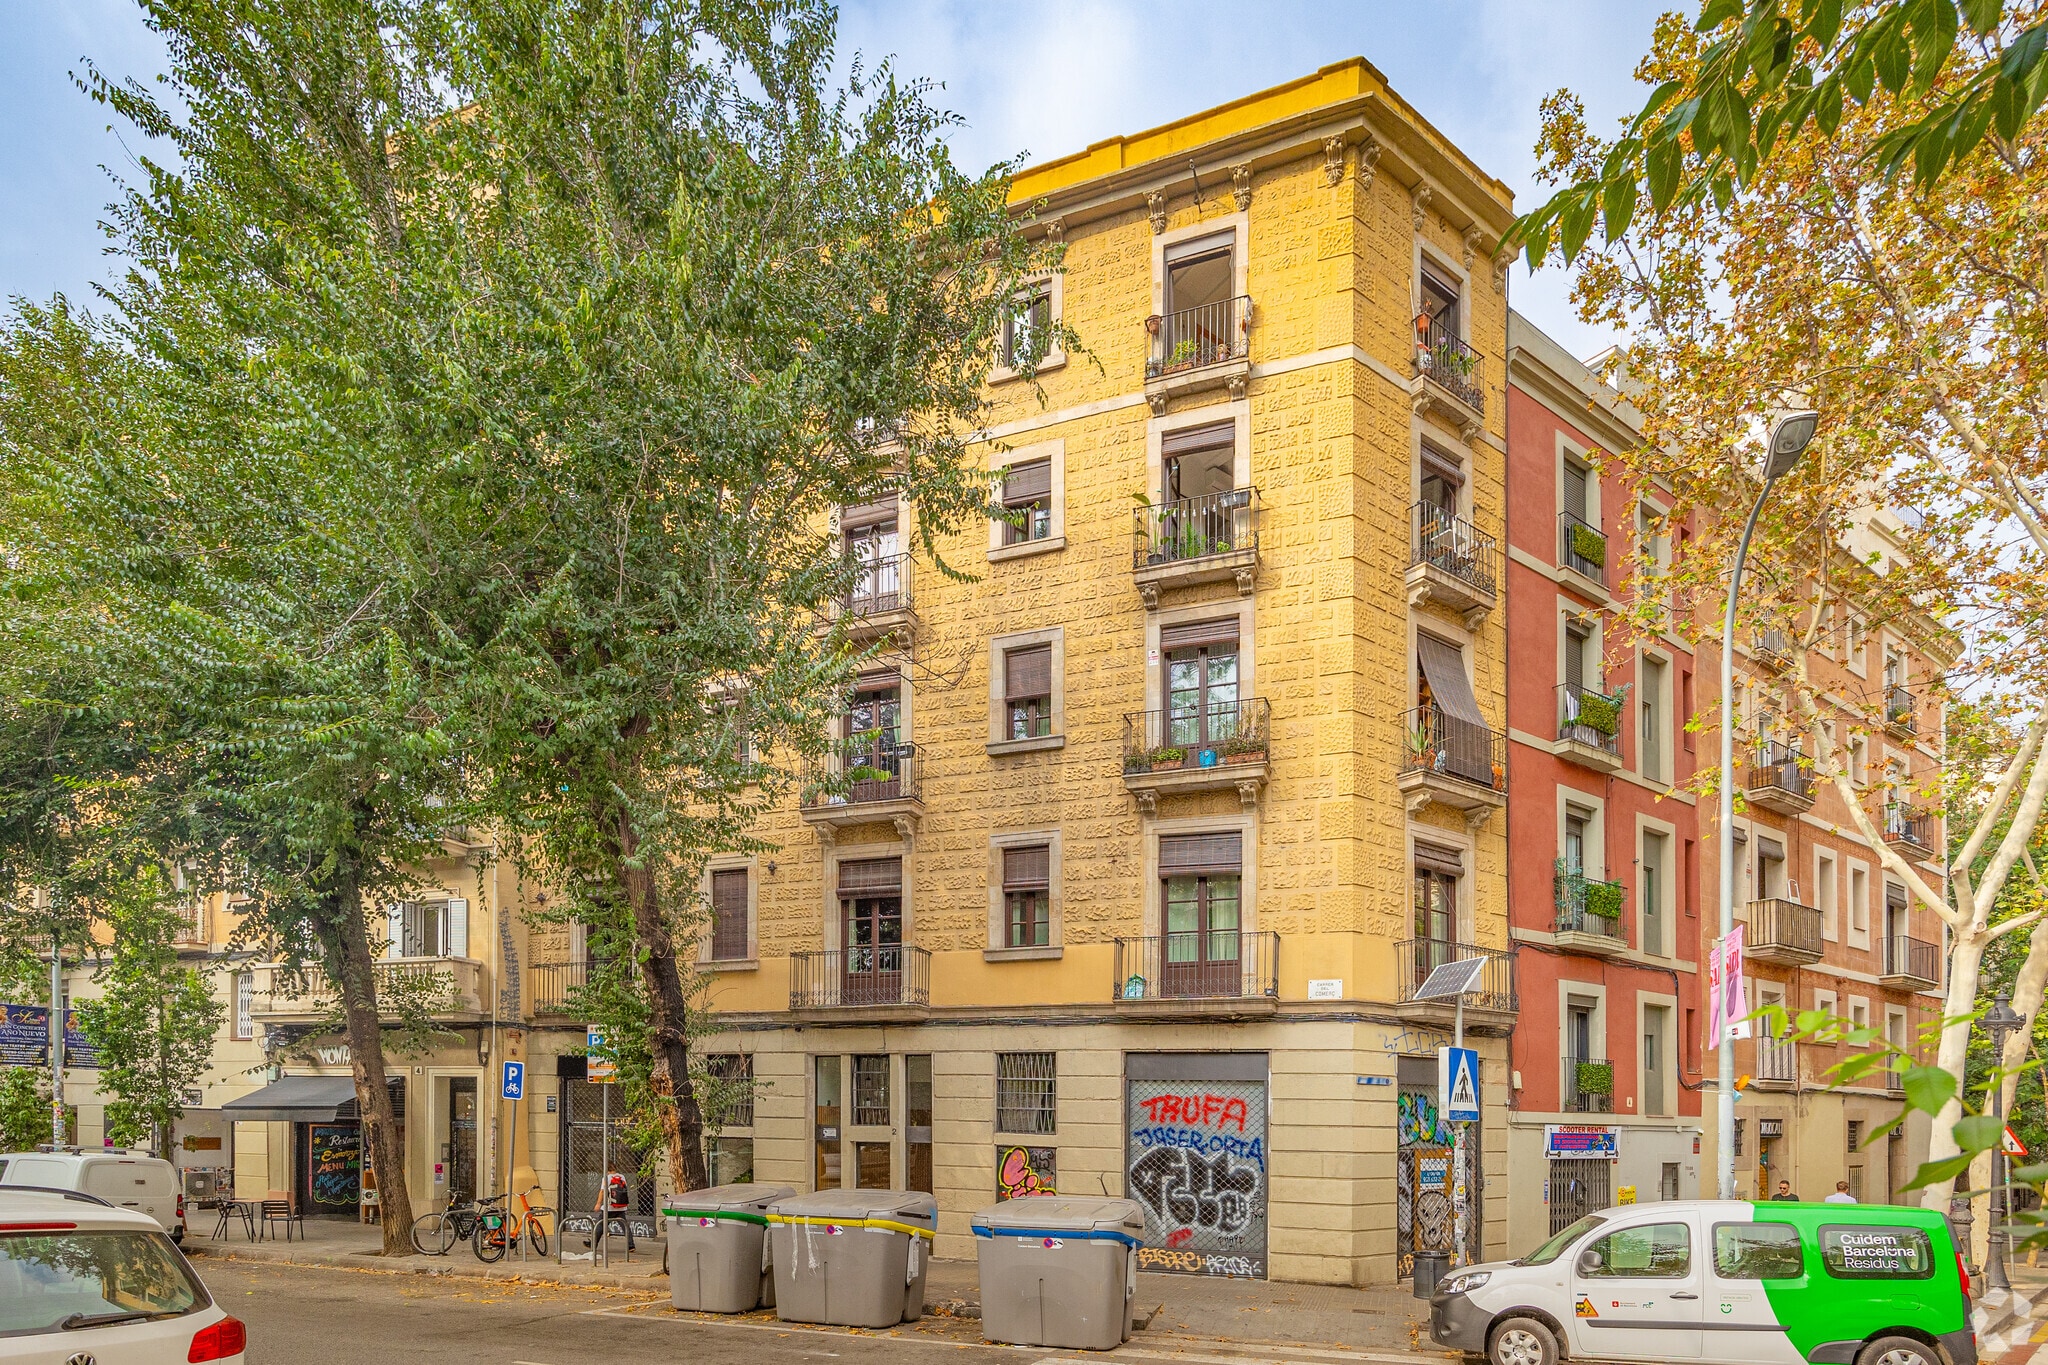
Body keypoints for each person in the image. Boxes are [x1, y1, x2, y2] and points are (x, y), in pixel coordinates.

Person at [584, 1166, 636, 1252]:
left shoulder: (606, 1178)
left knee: (600, 1225)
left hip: (609, 1208)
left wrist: (598, 1204)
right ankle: (631, 1245)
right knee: (624, 1226)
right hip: (621, 1207)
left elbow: (602, 1191)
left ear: (607, 1170)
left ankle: (592, 1244)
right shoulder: (622, 1177)